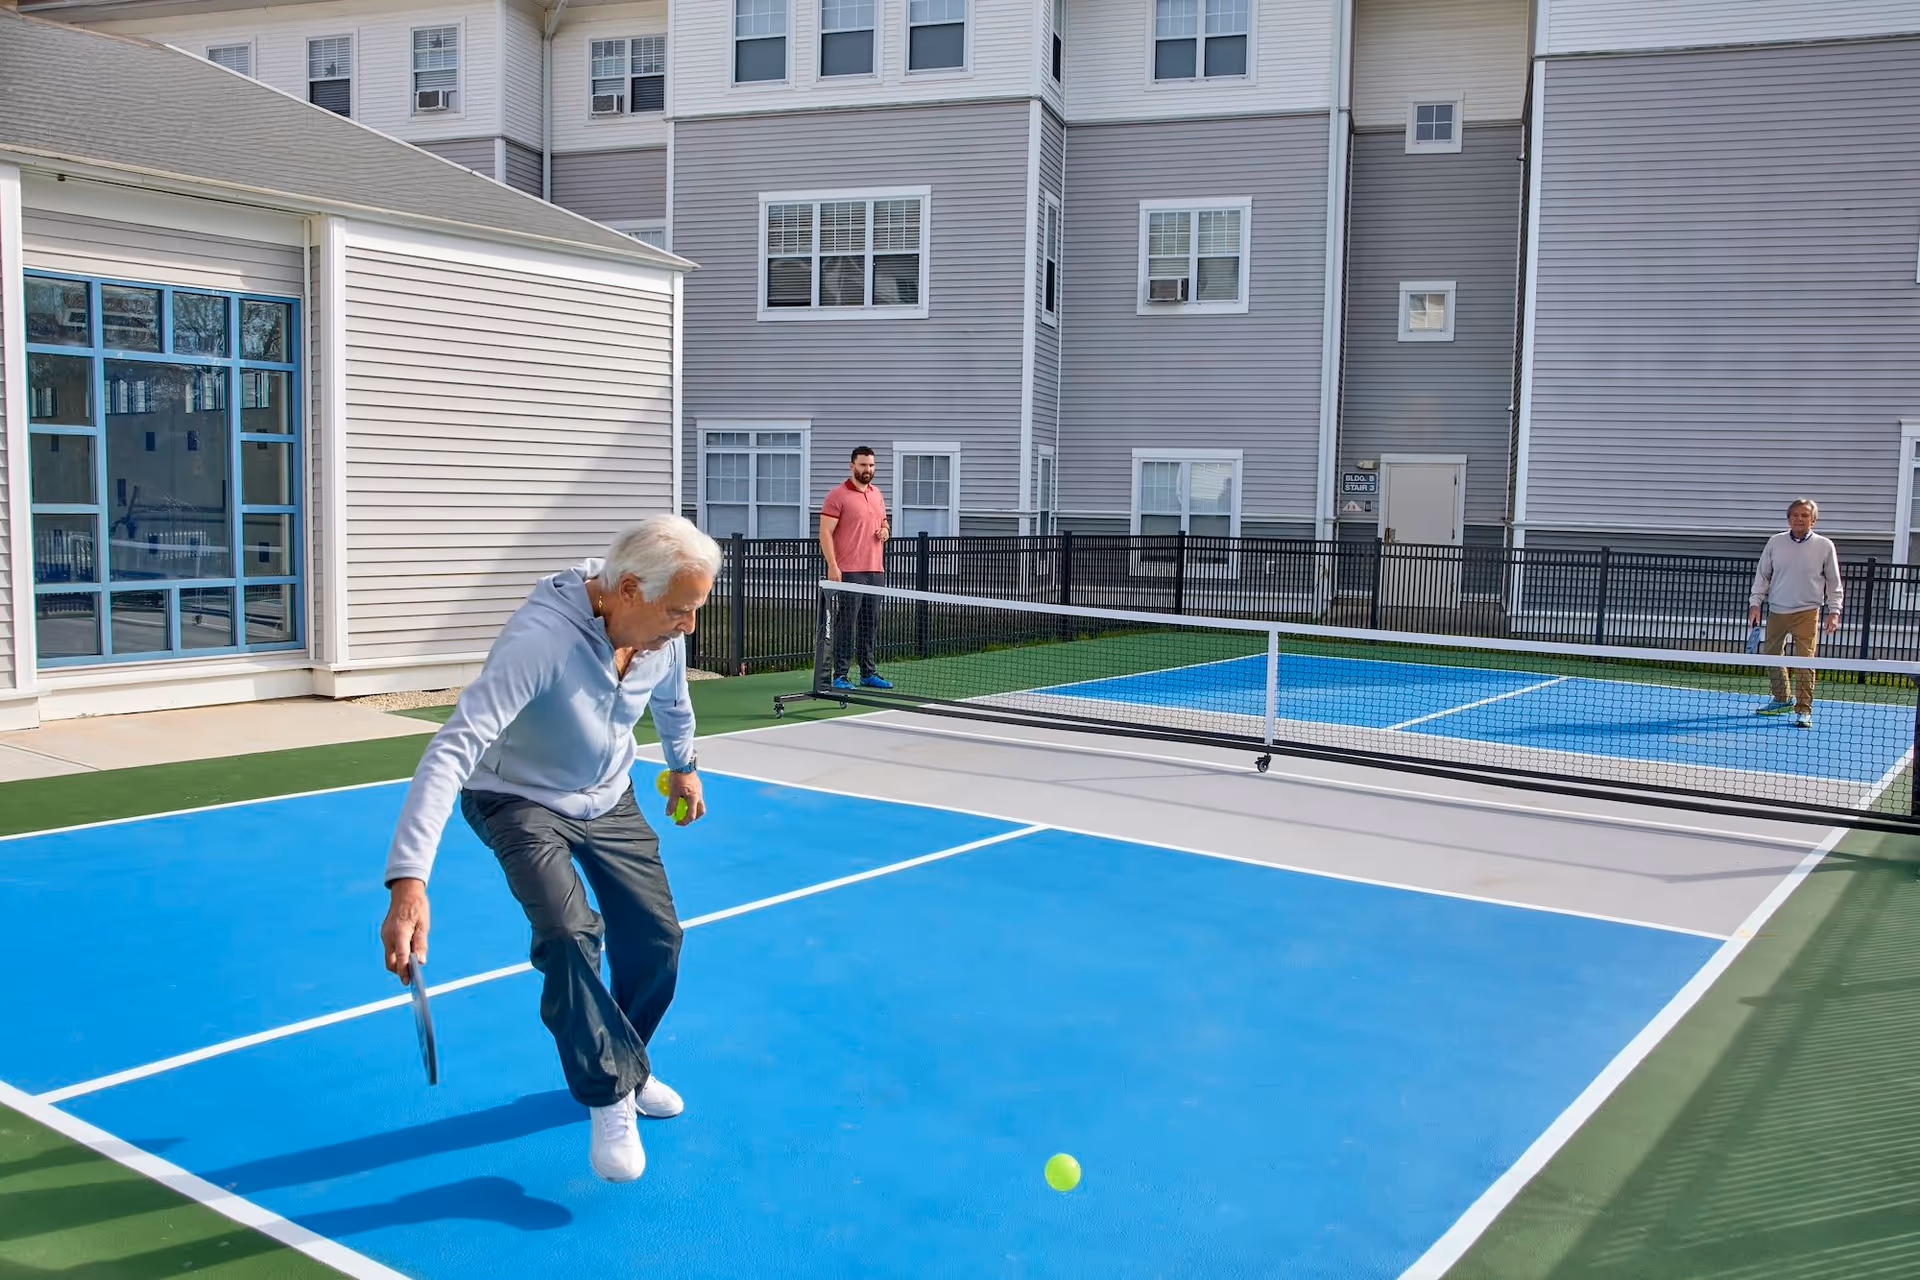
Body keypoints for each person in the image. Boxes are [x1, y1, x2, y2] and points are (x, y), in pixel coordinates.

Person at [378, 514, 721, 1183]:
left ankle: (627, 1059)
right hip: (518, 798)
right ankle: (606, 1092)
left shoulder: (662, 632)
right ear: (627, 590)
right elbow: (451, 749)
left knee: (658, 941)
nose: (690, 626)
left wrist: (684, 764)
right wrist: (408, 880)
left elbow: (674, 701)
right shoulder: (540, 641)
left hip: (607, 794)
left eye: (695, 610)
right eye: (680, 611)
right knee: (568, 935)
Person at [1748, 497, 1843, 729]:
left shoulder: (1824, 545)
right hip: (1777, 611)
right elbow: (1763, 576)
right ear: (1789, 519)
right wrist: (1755, 603)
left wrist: (1834, 611)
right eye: (1794, 515)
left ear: (1813, 519)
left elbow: (1833, 581)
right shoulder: (1775, 542)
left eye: (1804, 515)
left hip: (1808, 612)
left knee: (1804, 661)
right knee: (1771, 655)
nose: (1799, 519)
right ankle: (1781, 699)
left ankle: (1803, 710)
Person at [819, 445, 892, 690]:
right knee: (846, 623)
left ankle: (868, 673)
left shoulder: (877, 494)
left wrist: (885, 531)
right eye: (863, 465)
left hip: (875, 570)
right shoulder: (837, 495)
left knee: (869, 623)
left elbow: (883, 523)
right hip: (850, 570)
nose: (868, 469)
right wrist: (833, 565)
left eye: (871, 465)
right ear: (852, 466)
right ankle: (840, 675)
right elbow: (825, 533)